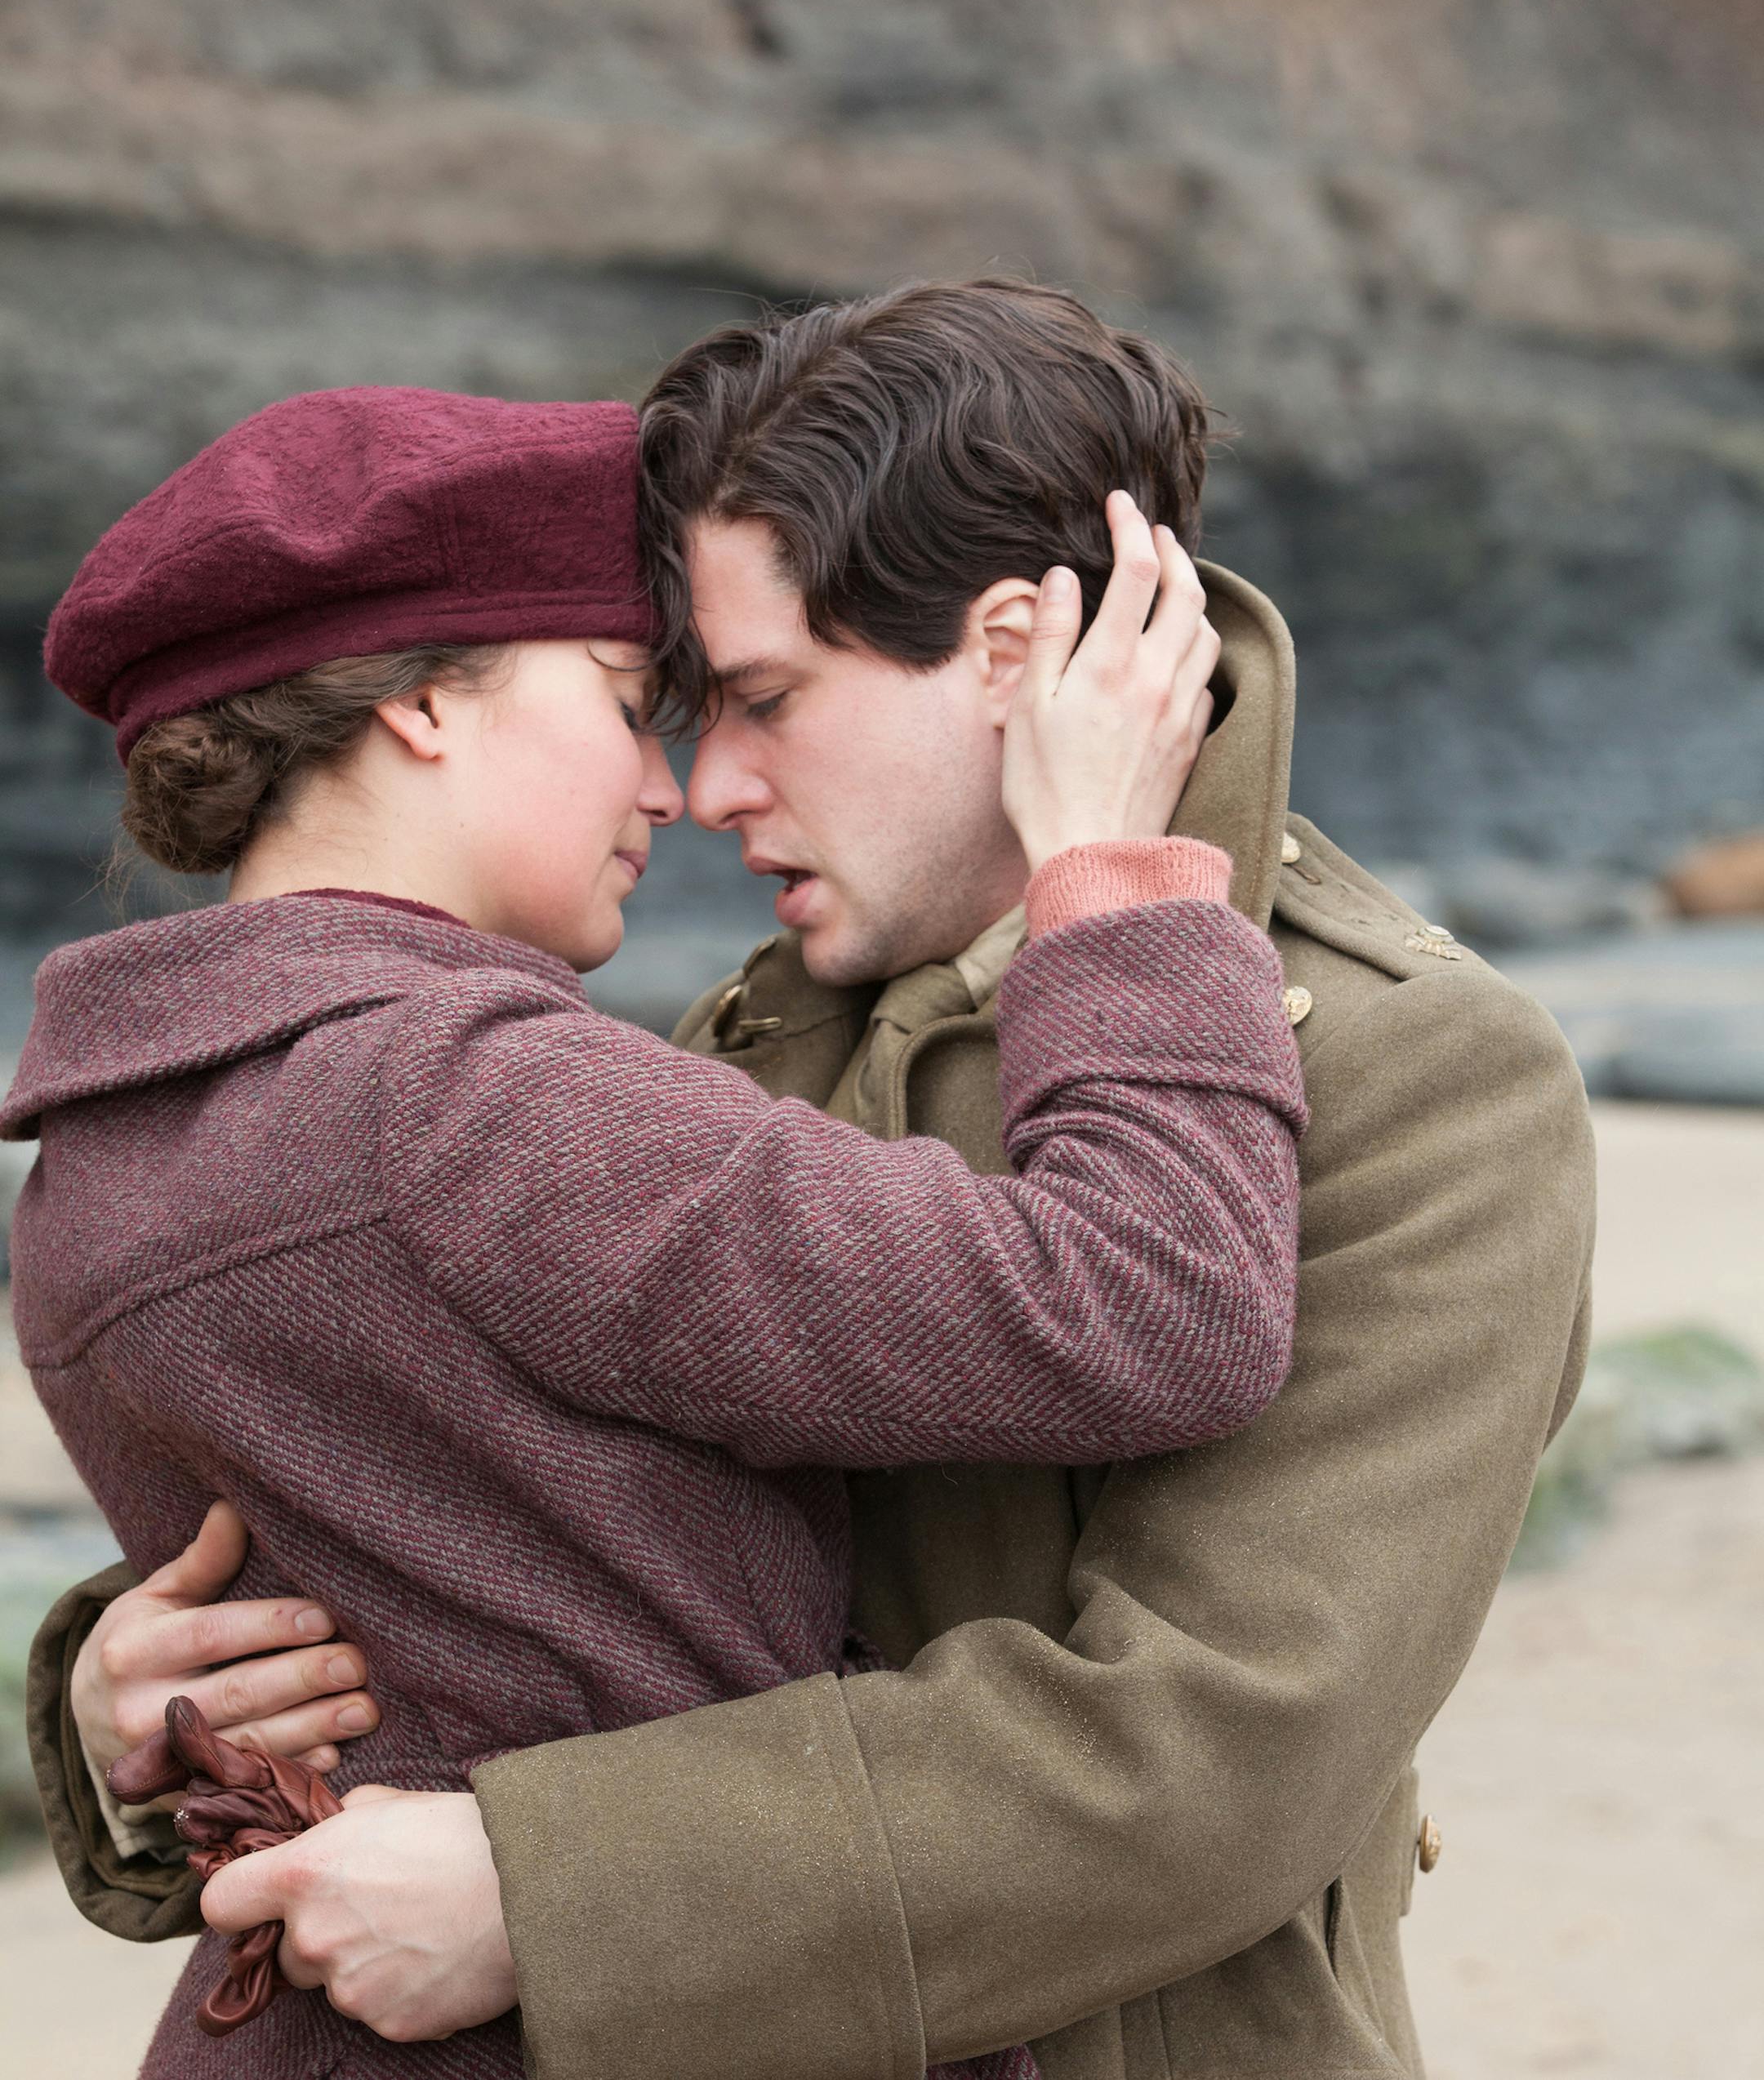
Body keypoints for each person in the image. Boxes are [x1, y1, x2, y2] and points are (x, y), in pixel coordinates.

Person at [27, 283, 1597, 2079]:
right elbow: (515, 1500)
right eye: (667, 702)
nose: (703, 783)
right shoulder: (727, 1036)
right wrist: (132, 1709)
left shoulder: (1420, 1074)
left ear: (1016, 656)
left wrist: (549, 1890)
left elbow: (1217, 1755)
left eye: (760, 697)